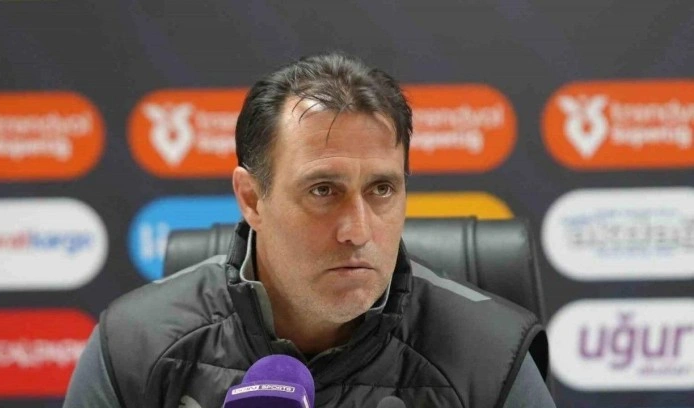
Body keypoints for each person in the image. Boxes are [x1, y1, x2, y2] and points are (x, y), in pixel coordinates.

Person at [64, 52, 556, 407]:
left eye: (382, 189)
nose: (357, 230)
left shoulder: (491, 359)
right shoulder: (134, 347)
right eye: (323, 190)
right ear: (251, 199)